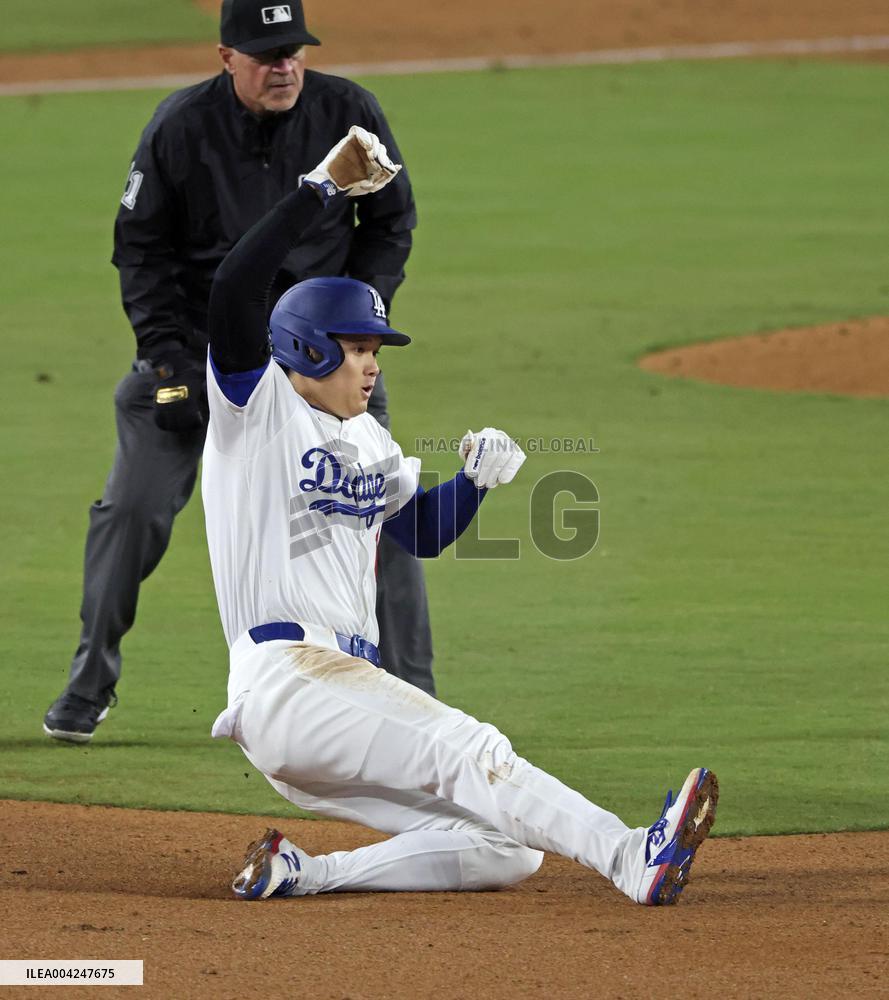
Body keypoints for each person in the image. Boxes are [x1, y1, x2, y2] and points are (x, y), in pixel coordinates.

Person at [204, 126, 719, 905]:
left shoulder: (370, 438)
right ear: (306, 350)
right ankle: (628, 856)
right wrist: (321, 188)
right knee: (469, 748)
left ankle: (305, 872)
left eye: (378, 346)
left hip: (332, 694)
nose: (373, 361)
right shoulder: (255, 406)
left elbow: (418, 534)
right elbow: (234, 287)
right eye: (356, 347)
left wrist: (474, 483)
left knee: (505, 848)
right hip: (289, 679)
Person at [43, 0, 433, 744]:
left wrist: (353, 328)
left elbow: (390, 224)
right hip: (201, 354)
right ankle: (88, 685)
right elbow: (141, 249)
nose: (283, 64)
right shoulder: (181, 127)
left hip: (317, 370)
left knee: (382, 513)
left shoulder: (349, 112)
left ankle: (416, 699)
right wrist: (168, 363)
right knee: (132, 512)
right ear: (227, 58)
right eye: (264, 53)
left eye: (293, 50)